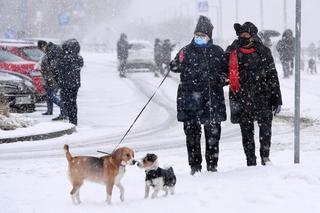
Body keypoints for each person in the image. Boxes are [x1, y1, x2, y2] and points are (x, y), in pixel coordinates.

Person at [170, 16, 227, 175]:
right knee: (192, 136)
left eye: (203, 35)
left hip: (212, 99)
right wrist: (177, 61)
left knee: (213, 135)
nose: (199, 38)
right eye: (198, 35)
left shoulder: (217, 52)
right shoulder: (186, 51)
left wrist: (221, 80)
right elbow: (174, 67)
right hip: (190, 100)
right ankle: (195, 167)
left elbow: (227, 73)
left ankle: (212, 165)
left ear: (209, 36)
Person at [225, 22, 282, 166]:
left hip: (263, 96)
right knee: (246, 131)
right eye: (241, 34)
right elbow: (224, 71)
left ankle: (265, 156)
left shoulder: (263, 51)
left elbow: (272, 75)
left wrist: (277, 98)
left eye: (246, 34)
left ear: (253, 35)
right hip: (241, 97)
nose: (243, 37)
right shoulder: (232, 51)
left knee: (265, 128)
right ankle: (250, 160)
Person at [37, 40, 66, 120]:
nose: (42, 51)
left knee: (51, 95)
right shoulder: (50, 50)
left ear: (43, 46)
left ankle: (64, 110)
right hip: (50, 77)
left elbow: (53, 67)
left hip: (53, 77)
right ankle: (50, 110)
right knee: (48, 94)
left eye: (41, 49)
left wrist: (52, 77)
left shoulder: (52, 51)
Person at [60, 39, 84, 126]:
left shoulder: (64, 58)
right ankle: (74, 119)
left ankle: (71, 119)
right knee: (73, 102)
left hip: (66, 84)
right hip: (75, 84)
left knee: (67, 102)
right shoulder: (79, 58)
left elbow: (59, 69)